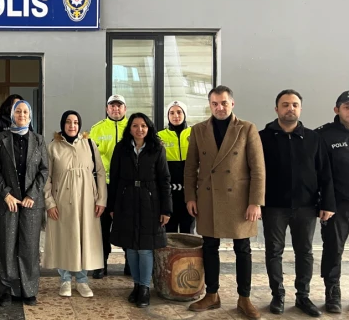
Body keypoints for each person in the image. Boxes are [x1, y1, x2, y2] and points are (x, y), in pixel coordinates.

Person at [184, 85, 265, 319]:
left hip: (239, 199)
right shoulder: (199, 130)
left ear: (232, 104)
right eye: (215, 104)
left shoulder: (247, 129)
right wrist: (190, 196)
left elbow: (258, 170)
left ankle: (244, 298)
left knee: (243, 249)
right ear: (210, 105)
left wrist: (255, 202)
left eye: (224, 103)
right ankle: (212, 294)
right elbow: (190, 168)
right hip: (208, 197)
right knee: (209, 246)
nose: (220, 107)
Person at [258, 89, 335, 317]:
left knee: (305, 252)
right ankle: (277, 296)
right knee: (274, 252)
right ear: (276, 109)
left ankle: (303, 296)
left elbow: (325, 174)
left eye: (294, 105)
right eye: (285, 104)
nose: (290, 108)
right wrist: (255, 203)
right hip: (273, 206)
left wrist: (327, 203)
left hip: (306, 206)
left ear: (300, 109)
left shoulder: (314, 138)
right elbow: (253, 173)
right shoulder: (262, 137)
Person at [0, 100, 49, 307]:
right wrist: (5, 194)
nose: (22, 114)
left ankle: (28, 289)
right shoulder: (0, 138)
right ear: (12, 115)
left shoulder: (39, 140)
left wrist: (32, 194)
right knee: (6, 246)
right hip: (8, 201)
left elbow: (44, 170)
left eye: (25, 111)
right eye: (18, 111)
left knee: (29, 247)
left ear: (30, 115)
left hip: (31, 202)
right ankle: (7, 290)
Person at [109, 113, 172, 308]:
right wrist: (112, 206)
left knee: (145, 248)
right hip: (126, 201)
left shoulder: (156, 148)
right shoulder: (121, 149)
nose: (139, 129)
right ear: (130, 128)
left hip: (150, 202)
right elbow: (114, 178)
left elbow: (164, 180)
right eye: (135, 126)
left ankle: (145, 288)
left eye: (143, 125)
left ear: (148, 128)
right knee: (131, 247)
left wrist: (166, 209)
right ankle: (136, 285)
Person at [43, 110, 107, 299]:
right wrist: (50, 203)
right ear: (63, 124)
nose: (72, 126)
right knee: (65, 240)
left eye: (76, 122)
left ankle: (82, 280)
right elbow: (46, 178)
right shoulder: (53, 147)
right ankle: (64, 279)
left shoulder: (89, 144)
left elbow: (101, 173)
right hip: (62, 201)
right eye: (69, 122)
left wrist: (101, 199)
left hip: (87, 201)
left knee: (84, 239)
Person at [317, 90, 349, 314]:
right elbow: (320, 173)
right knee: (333, 250)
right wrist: (325, 203)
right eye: (347, 107)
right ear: (337, 109)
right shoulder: (325, 135)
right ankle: (332, 293)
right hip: (338, 205)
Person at [89, 94, 129, 279]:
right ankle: (100, 264)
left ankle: (131, 263)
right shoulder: (96, 129)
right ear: (107, 109)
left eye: (119, 106)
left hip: (126, 185)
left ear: (124, 109)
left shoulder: (132, 127)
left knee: (128, 225)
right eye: (112, 106)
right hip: (103, 185)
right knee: (102, 227)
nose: (115, 109)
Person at [158, 100, 195, 234]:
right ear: (167, 116)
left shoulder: (194, 133)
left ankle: (186, 256)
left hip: (189, 191)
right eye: (172, 113)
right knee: (169, 231)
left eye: (179, 112)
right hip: (169, 192)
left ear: (185, 114)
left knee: (188, 230)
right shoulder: (160, 136)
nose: (176, 116)